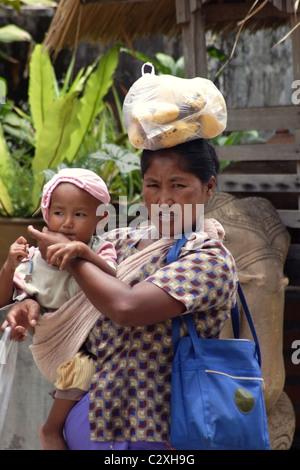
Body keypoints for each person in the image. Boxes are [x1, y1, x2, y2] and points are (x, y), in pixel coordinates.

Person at [2, 138, 238, 450]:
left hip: (161, 427)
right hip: (90, 415)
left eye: (178, 185)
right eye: (153, 185)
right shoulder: (119, 242)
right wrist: (28, 301)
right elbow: (61, 292)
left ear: (208, 188)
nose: (164, 199)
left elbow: (126, 307)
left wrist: (73, 257)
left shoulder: (208, 259)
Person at [0, 168, 117, 450]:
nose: (66, 224)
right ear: (46, 213)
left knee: (86, 369)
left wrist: (83, 253)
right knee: (81, 369)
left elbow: (113, 281)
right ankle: (51, 429)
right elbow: (11, 298)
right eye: (58, 213)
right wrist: (9, 265)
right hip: (55, 344)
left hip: (90, 339)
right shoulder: (34, 258)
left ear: (101, 217)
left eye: (79, 215)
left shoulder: (102, 249)